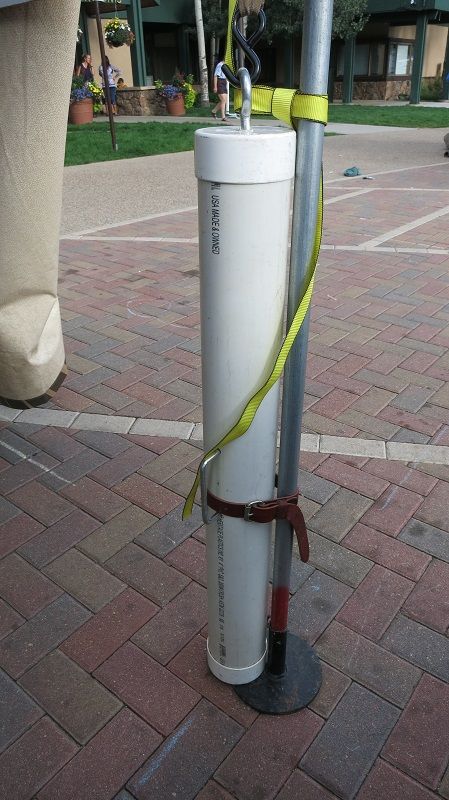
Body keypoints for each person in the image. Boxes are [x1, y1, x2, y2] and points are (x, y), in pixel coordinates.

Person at [211, 56, 228, 123]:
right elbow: (215, 76)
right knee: (223, 100)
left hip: (224, 82)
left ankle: (213, 111)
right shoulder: (220, 65)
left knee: (224, 100)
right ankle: (223, 117)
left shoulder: (225, 65)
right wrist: (215, 87)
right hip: (220, 82)